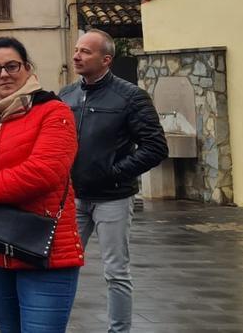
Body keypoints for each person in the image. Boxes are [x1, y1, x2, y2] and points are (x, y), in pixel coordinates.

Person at [0, 37, 83, 333]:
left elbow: (45, 171)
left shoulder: (53, 111)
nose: (4, 74)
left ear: (27, 68)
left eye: (12, 66)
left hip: (43, 247)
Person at [59, 29, 167, 333]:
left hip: (113, 199)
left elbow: (155, 148)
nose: (77, 55)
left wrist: (114, 172)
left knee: (116, 272)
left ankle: (118, 331)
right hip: (74, 197)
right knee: (59, 266)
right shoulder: (66, 96)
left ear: (106, 59)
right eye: (77, 50)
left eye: (86, 51)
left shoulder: (130, 97)